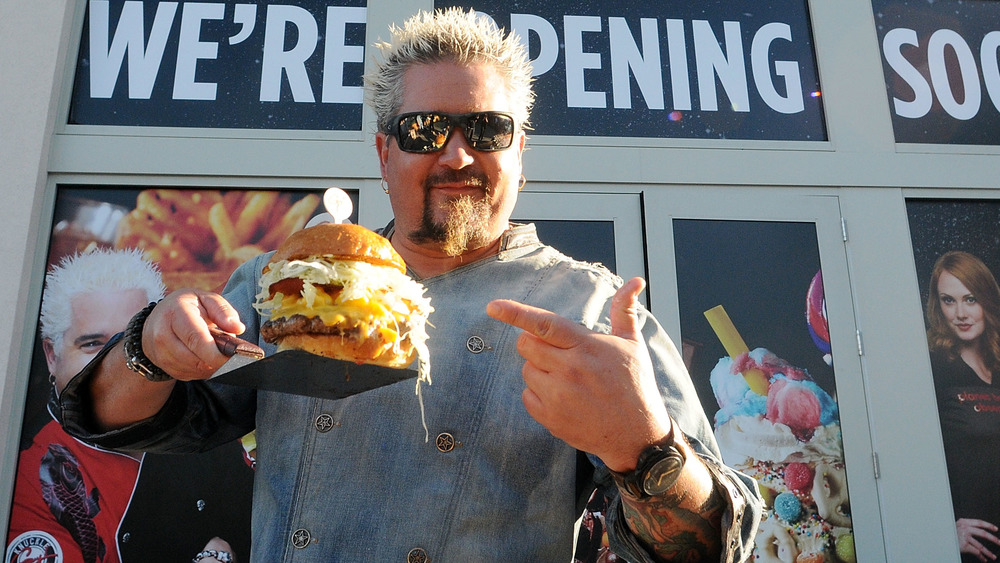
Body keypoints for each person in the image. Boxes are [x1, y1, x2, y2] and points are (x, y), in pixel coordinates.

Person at [54, 8, 762, 562]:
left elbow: (714, 546)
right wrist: (148, 347)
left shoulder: (589, 308)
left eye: (486, 128)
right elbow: (112, 418)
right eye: (425, 129)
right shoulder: (295, 281)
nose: (457, 153)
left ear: (521, 151)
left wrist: (648, 448)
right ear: (384, 151)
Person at [7, 249, 252, 563]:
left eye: (130, 342)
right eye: (93, 343)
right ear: (52, 355)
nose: (117, 362)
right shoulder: (28, 474)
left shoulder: (210, 420)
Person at [926, 250, 1000, 563]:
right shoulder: (932, 367)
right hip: (976, 551)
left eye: (970, 299)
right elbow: (903, 456)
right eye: (948, 300)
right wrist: (942, 526)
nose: (960, 313)